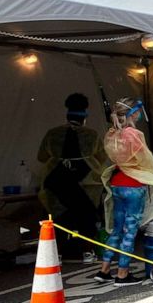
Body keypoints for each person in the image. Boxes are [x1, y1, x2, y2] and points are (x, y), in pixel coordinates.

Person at [96, 98, 153, 286]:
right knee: (130, 230)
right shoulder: (134, 134)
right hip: (133, 185)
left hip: (117, 182)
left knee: (116, 229)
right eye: (139, 111)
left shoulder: (112, 134)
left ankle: (104, 270)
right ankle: (123, 273)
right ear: (133, 113)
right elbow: (146, 160)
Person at [37, 93, 105, 262]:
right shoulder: (92, 135)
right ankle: (87, 252)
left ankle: (56, 255)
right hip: (86, 184)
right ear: (84, 117)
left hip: (56, 181)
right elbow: (102, 157)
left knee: (57, 216)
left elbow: (41, 157)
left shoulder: (52, 134)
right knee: (86, 216)